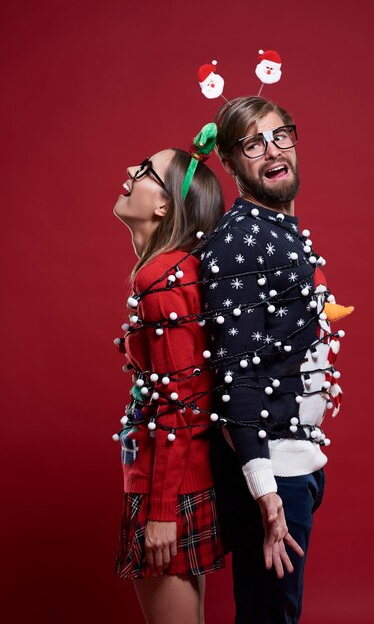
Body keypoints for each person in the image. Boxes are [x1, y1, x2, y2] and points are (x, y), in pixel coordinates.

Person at [199, 96, 347, 624]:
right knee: (269, 617)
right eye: (252, 143)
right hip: (270, 471)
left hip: (298, 462)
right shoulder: (237, 241)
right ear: (232, 163)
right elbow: (235, 373)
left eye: (279, 135)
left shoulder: (279, 229)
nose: (271, 150)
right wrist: (265, 491)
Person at [113, 141, 225, 624]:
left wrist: (161, 512)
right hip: (180, 481)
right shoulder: (178, 271)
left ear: (164, 205)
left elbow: (182, 404)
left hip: (170, 488)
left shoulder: (161, 278)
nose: (128, 172)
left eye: (144, 171)